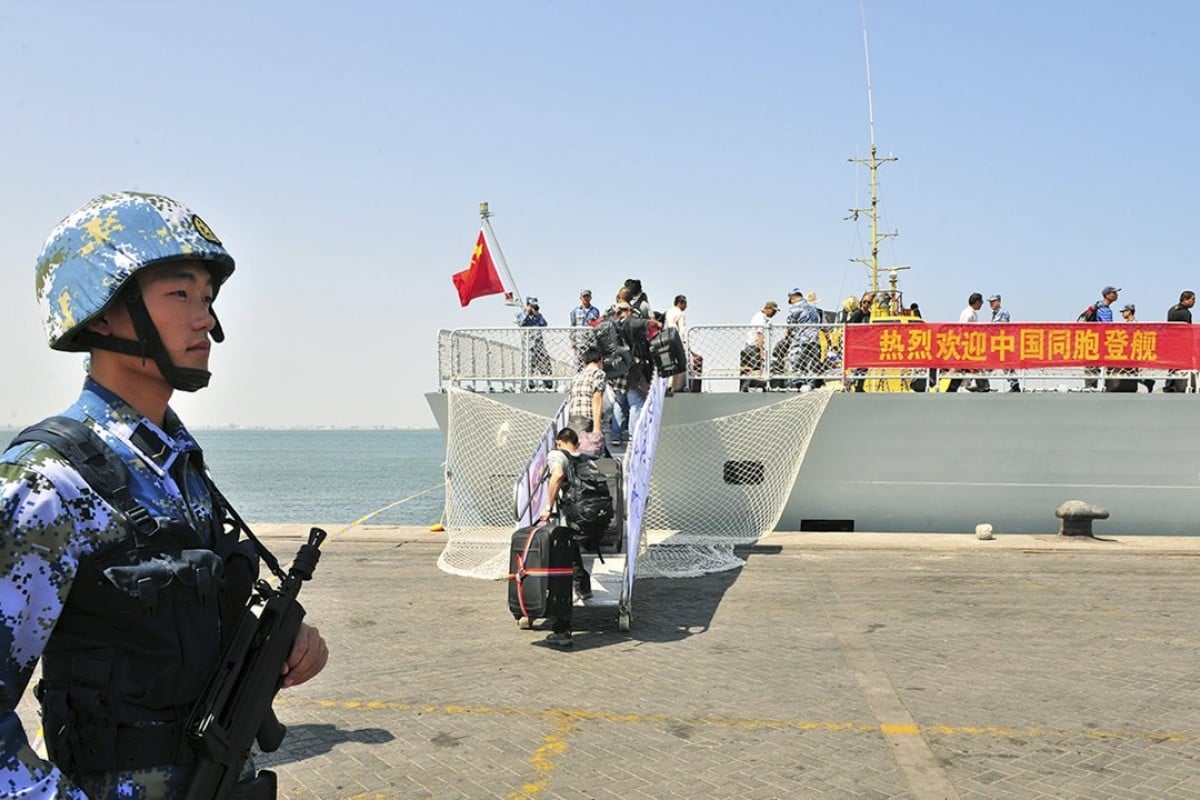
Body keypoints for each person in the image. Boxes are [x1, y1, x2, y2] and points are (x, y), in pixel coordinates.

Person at [0, 191, 328, 799]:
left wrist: (283, 643)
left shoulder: (174, 462)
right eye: (180, 294)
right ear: (102, 313)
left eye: (206, 298)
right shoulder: (49, 482)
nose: (205, 319)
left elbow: (181, 620)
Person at [537, 427, 595, 648]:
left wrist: (548, 506)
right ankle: (584, 586)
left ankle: (563, 630)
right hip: (585, 518)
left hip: (567, 518)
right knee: (572, 555)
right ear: (576, 443)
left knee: (561, 573)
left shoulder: (556, 455)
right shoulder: (586, 458)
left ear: (559, 441)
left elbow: (558, 475)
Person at [567, 346, 608, 455]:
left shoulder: (577, 376)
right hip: (587, 420)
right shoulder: (598, 374)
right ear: (601, 361)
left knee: (575, 451)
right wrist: (597, 427)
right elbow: (597, 399)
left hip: (573, 419)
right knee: (590, 452)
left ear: (584, 363)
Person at [946, 292, 989, 393]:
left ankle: (951, 390)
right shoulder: (969, 314)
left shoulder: (968, 312)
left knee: (962, 369)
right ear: (977, 302)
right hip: (966, 346)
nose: (982, 304)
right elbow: (963, 330)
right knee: (974, 366)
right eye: (981, 302)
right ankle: (984, 387)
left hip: (967, 345)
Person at [784, 288, 823, 390]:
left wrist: (787, 335)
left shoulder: (796, 307)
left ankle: (798, 384)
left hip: (801, 339)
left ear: (792, 298)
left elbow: (790, 324)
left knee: (796, 361)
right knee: (812, 363)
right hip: (814, 339)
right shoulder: (813, 308)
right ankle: (811, 384)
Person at [740, 300, 779, 391]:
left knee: (751, 368)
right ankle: (750, 388)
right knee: (756, 368)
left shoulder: (759, 316)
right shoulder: (761, 318)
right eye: (774, 311)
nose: (775, 313)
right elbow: (760, 333)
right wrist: (761, 350)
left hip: (751, 345)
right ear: (768, 309)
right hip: (755, 347)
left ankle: (746, 388)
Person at [516, 296, 553, 390]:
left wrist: (537, 315)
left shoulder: (539, 316)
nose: (534, 308)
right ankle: (529, 384)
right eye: (532, 306)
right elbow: (521, 323)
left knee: (544, 362)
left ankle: (547, 383)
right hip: (528, 344)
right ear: (528, 305)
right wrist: (527, 313)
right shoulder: (521, 314)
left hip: (538, 344)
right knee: (529, 364)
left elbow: (544, 324)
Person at [988, 293, 1021, 392]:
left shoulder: (1003, 312)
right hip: (996, 343)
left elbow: (1001, 326)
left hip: (1002, 342)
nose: (991, 304)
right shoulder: (994, 314)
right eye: (990, 302)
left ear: (999, 301)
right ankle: (982, 383)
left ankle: (1015, 385)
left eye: (993, 302)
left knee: (1005, 364)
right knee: (995, 364)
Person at [1165, 290, 1196, 393]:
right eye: (1193, 299)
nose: (1194, 302)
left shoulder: (1172, 310)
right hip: (1181, 345)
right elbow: (1187, 331)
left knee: (1171, 367)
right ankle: (1179, 388)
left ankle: (1168, 386)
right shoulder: (1185, 313)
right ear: (1186, 299)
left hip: (1171, 344)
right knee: (1181, 368)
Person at [664, 294, 691, 393]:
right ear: (680, 303)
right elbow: (682, 330)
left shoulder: (668, 312)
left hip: (665, 339)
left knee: (669, 363)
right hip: (675, 340)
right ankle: (676, 386)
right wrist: (687, 345)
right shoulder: (680, 314)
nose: (686, 306)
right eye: (685, 303)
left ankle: (667, 385)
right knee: (679, 363)